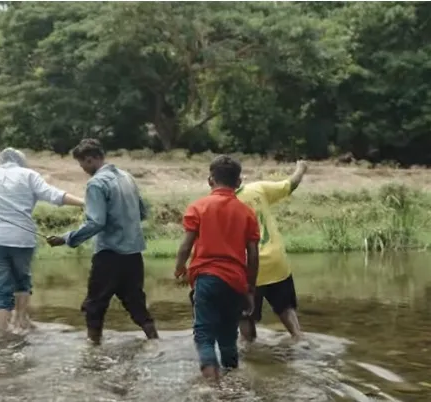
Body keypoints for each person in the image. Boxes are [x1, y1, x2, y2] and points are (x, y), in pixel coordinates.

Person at [46, 138, 159, 345]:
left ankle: (93, 349)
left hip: (109, 254)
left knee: (95, 304)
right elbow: (142, 212)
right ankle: (154, 341)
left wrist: (66, 238)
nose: (82, 169)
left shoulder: (96, 183)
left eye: (82, 164)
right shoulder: (127, 177)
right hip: (133, 253)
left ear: (90, 159)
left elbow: (96, 222)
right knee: (136, 302)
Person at [0, 147, 85, 332]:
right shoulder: (29, 175)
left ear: (0, 161)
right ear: (21, 161)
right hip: (22, 239)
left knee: (1, 289)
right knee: (22, 280)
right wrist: (84, 202)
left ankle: (1, 331)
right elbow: (54, 195)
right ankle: (21, 321)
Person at [174, 155, 260, 382]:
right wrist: (250, 288)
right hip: (235, 280)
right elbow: (253, 255)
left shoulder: (198, 207)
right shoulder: (247, 213)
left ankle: (212, 386)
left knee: (204, 335)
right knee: (228, 337)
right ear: (238, 183)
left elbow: (185, 246)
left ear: (210, 180)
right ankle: (233, 382)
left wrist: (180, 269)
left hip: (207, 278)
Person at [237, 160, 308, 344]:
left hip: (246, 267)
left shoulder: (220, 203)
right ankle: (298, 338)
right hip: (276, 262)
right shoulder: (258, 189)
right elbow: (291, 184)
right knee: (286, 307)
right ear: (239, 178)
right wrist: (301, 168)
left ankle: (248, 356)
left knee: (245, 318)